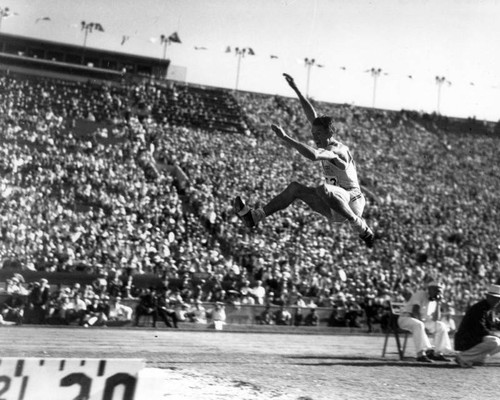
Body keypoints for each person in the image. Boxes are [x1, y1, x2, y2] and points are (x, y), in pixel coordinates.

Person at [233, 73, 374, 248]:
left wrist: (286, 137)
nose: (315, 138)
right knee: (294, 189)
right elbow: (312, 116)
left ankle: (359, 225)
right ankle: (255, 216)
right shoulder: (326, 141)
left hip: (352, 200)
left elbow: (314, 155)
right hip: (335, 205)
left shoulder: (336, 150)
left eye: (319, 135)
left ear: (330, 133)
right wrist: (296, 90)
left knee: (323, 189)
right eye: (313, 135)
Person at [397, 281, 453, 362]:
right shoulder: (421, 294)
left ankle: (437, 353)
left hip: (422, 322)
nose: (439, 292)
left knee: (441, 325)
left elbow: (436, 319)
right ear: (430, 289)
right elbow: (414, 311)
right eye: (436, 290)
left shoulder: (434, 300)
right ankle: (421, 354)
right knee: (419, 325)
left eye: (440, 290)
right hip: (406, 318)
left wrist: (438, 303)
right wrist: (423, 326)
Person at [454, 284, 500, 368]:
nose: (496, 300)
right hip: (466, 339)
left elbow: (496, 324)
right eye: (494, 298)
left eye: (498, 299)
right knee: (495, 341)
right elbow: (480, 328)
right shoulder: (479, 308)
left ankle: (477, 358)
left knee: (496, 340)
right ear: (488, 297)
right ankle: (463, 357)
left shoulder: (489, 309)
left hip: (474, 338)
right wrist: (494, 334)